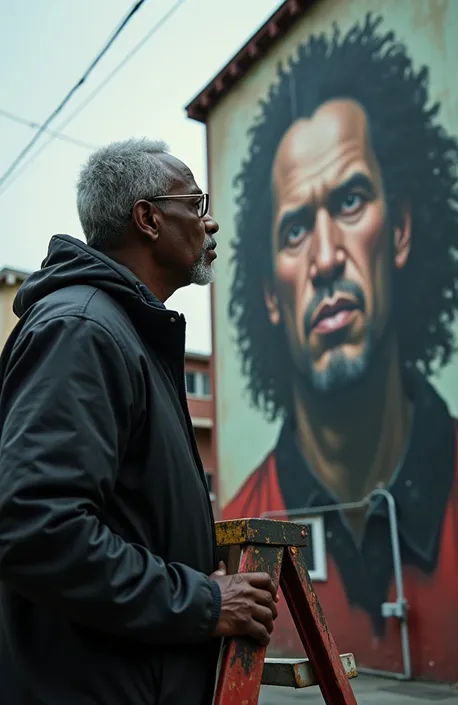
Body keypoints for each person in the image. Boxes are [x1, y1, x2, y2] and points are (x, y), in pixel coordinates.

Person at [223, 15, 458, 677]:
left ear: (400, 230)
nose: (328, 257)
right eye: (296, 228)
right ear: (269, 294)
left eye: (352, 199)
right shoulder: (242, 531)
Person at [0, 138, 279, 705]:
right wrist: (204, 601)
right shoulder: (84, 330)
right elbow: (36, 527)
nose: (212, 222)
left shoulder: (120, 333)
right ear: (149, 219)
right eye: (196, 203)